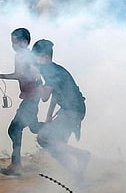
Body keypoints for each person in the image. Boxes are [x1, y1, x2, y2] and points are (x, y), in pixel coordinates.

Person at [32, 39, 90, 180]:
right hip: (73, 110)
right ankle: (78, 175)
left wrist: (37, 79)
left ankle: (81, 155)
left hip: (72, 111)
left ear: (45, 57)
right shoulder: (54, 69)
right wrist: (48, 116)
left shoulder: (50, 71)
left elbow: (45, 96)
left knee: (44, 138)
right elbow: (56, 95)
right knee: (56, 146)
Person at [0, 28, 42, 176]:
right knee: (33, 127)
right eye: (12, 42)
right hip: (31, 97)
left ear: (24, 42)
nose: (13, 45)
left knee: (14, 129)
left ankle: (16, 166)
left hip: (31, 98)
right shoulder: (25, 56)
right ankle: (55, 130)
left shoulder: (24, 56)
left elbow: (21, 75)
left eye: (15, 42)